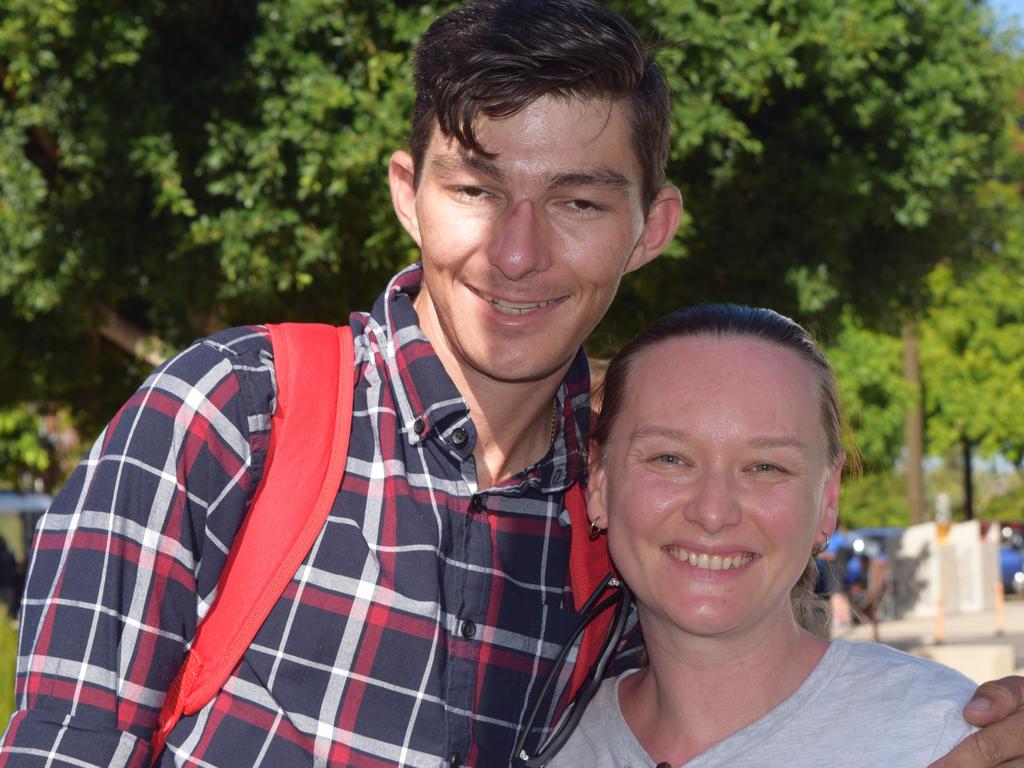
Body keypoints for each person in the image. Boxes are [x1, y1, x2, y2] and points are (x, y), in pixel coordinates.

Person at [0, 2, 1022, 767]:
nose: (516, 253)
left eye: (576, 200)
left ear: (650, 228)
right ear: (409, 195)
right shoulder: (232, 415)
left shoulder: (619, 523)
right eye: (476, 190)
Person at [549, 305, 976, 767]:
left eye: (766, 467)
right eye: (669, 458)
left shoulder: (943, 737)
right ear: (599, 480)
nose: (713, 512)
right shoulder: (547, 746)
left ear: (827, 500)